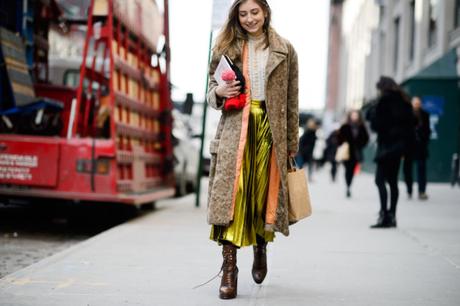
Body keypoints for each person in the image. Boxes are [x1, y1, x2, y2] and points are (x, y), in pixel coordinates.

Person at [206, 0, 299, 299]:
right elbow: (211, 90)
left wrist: (291, 144)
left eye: (254, 12)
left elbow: (291, 101)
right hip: (236, 130)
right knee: (232, 199)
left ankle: (261, 246)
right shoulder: (225, 48)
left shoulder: (286, 50)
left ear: (266, 12)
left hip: (271, 131)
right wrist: (219, 92)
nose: (249, 19)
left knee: (262, 197)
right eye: (243, 14)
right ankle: (229, 269)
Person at [368, 76, 415, 228]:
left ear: (382, 88)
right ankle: (392, 216)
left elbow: (377, 125)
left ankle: (383, 215)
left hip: (386, 146)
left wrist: (373, 114)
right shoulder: (404, 100)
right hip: (399, 147)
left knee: (379, 180)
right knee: (393, 182)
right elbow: (413, 123)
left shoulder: (384, 101)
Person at [403, 96, 431, 200]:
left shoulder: (425, 115)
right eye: (415, 103)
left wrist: (423, 139)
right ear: (412, 103)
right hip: (408, 147)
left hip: (421, 147)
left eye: (418, 103)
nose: (417, 105)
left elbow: (428, 130)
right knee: (407, 170)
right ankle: (409, 189)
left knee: (421, 168)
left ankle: (422, 191)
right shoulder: (406, 114)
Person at [338, 110, 369, 198]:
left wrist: (360, 144)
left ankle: (349, 185)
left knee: (351, 170)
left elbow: (366, 138)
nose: (354, 117)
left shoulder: (361, 126)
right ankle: (347, 185)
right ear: (350, 116)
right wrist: (343, 143)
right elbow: (339, 138)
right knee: (347, 169)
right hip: (346, 152)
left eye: (356, 115)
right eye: (353, 115)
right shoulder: (345, 126)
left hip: (356, 153)